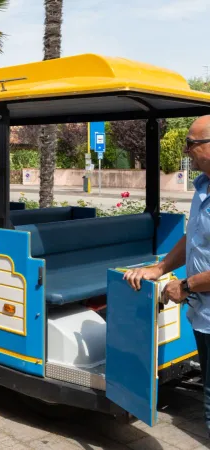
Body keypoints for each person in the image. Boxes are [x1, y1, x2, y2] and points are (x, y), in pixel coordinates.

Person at [123, 115, 210, 439]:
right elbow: (193, 237)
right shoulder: (202, 187)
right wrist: (160, 269)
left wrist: (186, 285)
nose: (186, 150)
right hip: (203, 313)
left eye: (191, 143)